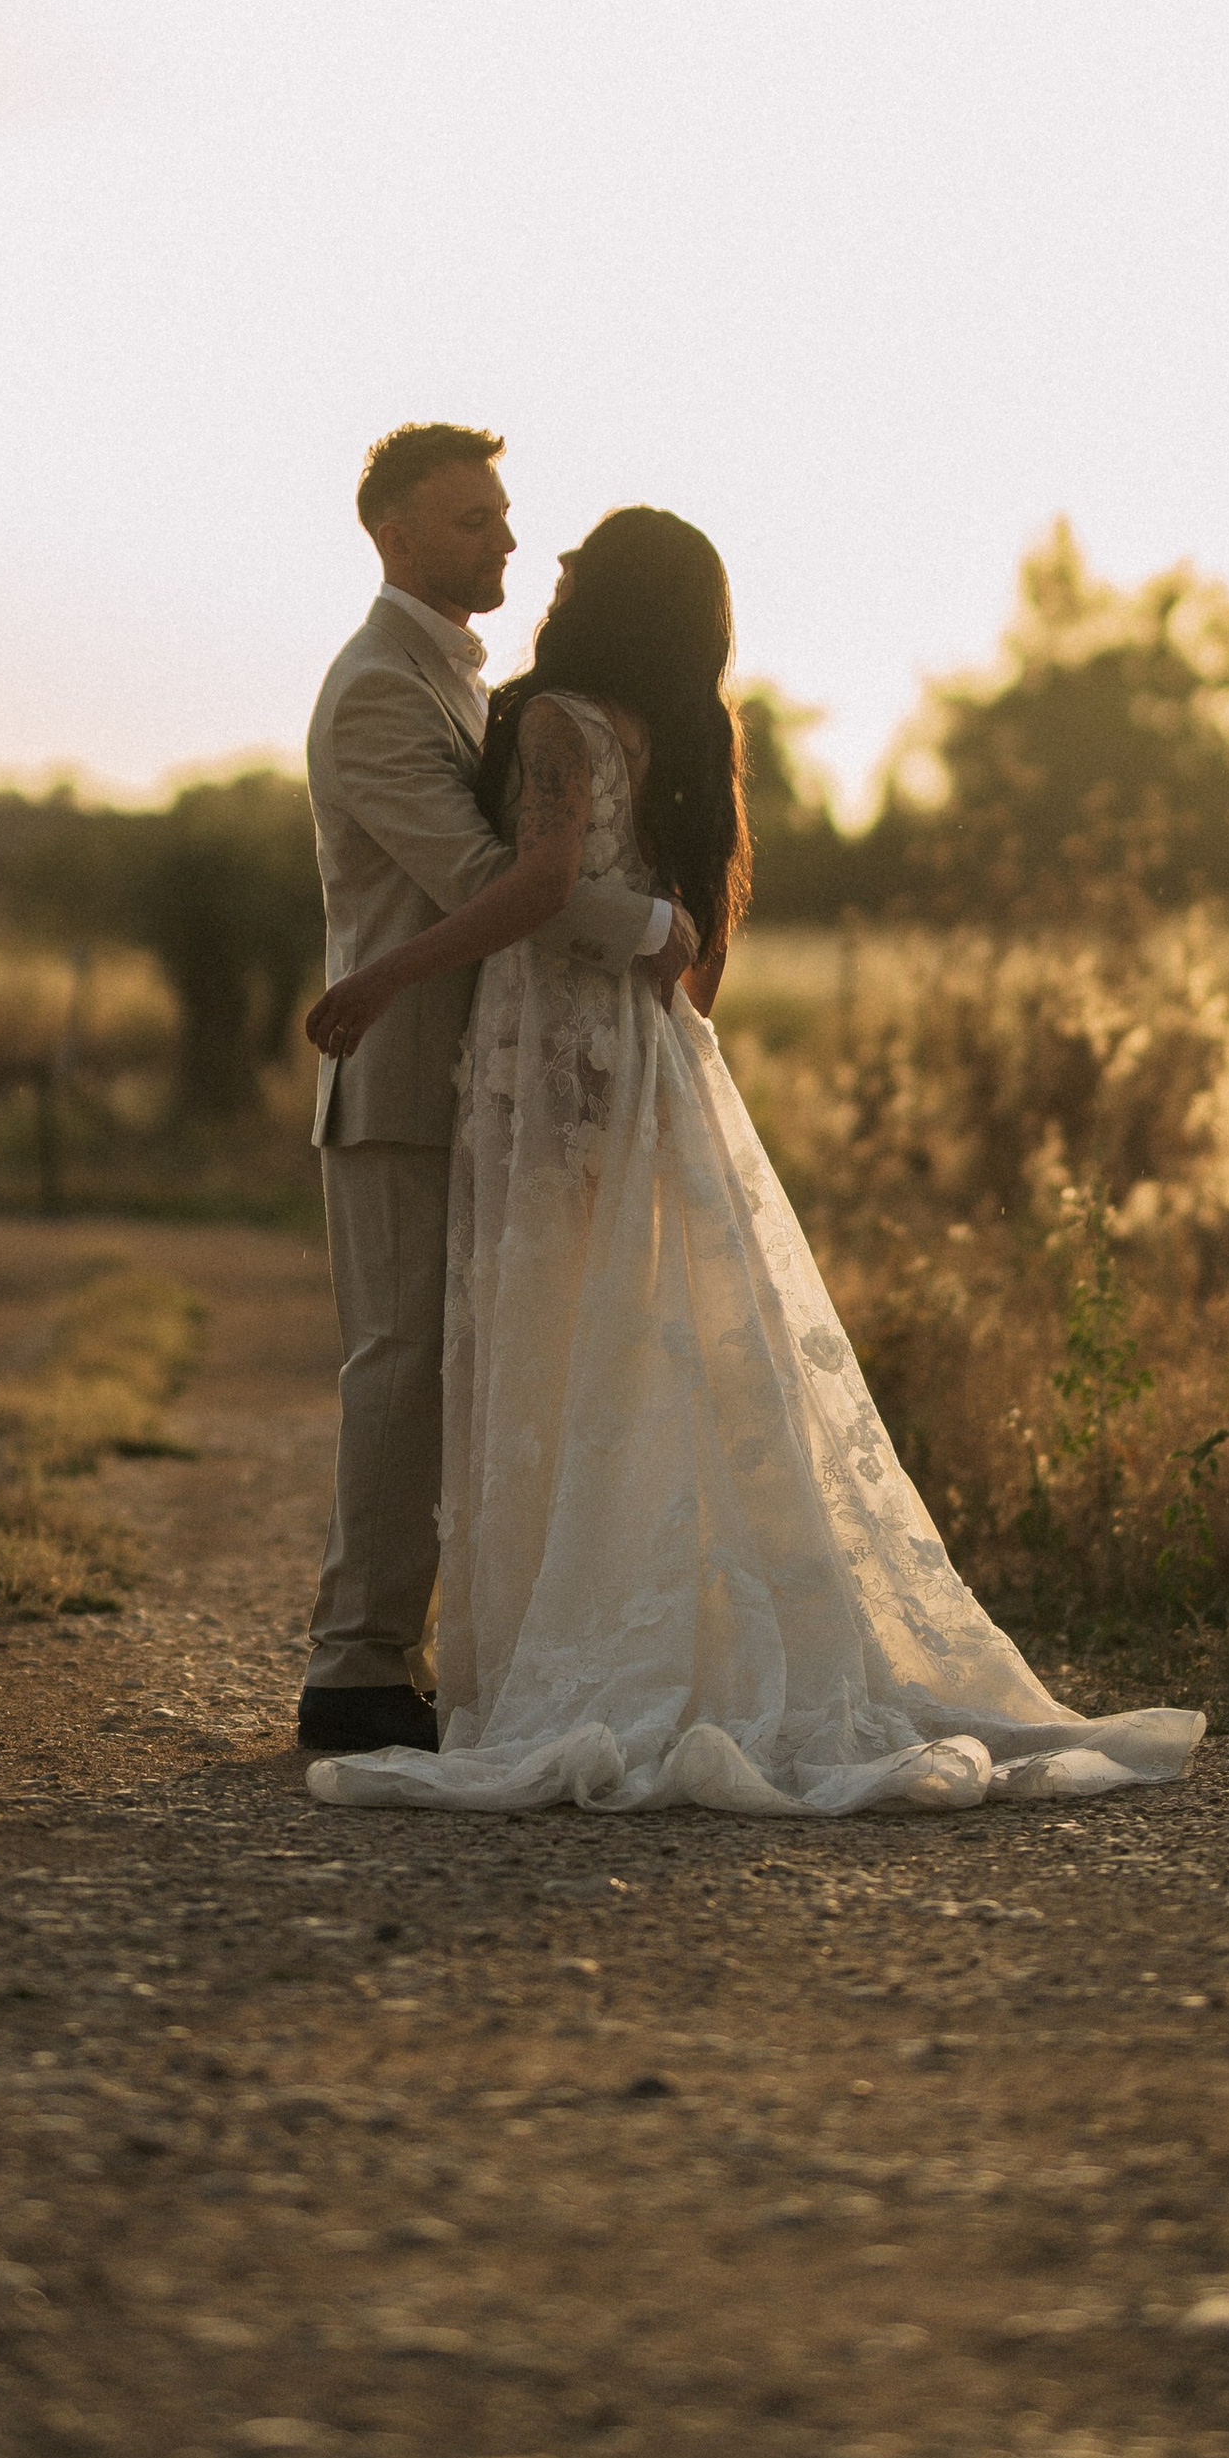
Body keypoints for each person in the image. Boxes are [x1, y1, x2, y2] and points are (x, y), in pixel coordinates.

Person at [301, 504, 1203, 1816]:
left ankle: (552, 1647)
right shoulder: (689, 728)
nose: (547, 562)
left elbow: (538, 884)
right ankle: (624, 1624)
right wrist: (666, 1022)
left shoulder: (555, 720)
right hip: (646, 1048)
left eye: (577, 558)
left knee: (545, 1342)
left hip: (548, 1050)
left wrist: (384, 976)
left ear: (611, 593)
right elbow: (702, 929)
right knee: (627, 1336)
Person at [297, 425, 697, 1757]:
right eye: (473, 521)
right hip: (407, 1077)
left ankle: (458, 1652)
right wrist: (647, 925)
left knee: (484, 1374)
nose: (508, 540)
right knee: (403, 1370)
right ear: (396, 536)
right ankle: (355, 1668)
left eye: (504, 515)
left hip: (496, 1083)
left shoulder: (466, 685)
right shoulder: (378, 691)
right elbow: (488, 882)